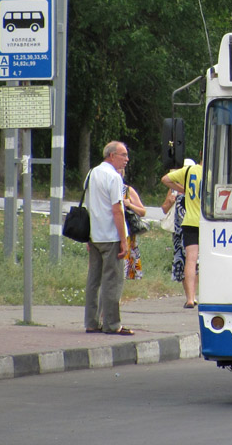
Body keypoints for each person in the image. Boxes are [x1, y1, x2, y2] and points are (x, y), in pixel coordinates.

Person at [83, 141, 133, 336]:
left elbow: (88, 205)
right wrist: (123, 239)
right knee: (112, 280)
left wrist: (88, 236)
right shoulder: (114, 177)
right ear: (111, 155)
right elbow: (117, 210)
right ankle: (112, 324)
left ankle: (91, 322)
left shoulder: (91, 174)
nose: (126, 159)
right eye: (123, 155)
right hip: (111, 236)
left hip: (94, 234)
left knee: (93, 280)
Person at [162, 158, 202, 308]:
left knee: (190, 260)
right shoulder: (212, 173)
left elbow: (165, 179)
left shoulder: (189, 172)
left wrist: (183, 189)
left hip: (189, 221)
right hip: (207, 220)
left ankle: (190, 298)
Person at [160, 158, 193, 285]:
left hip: (191, 226)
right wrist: (170, 201)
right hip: (178, 229)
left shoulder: (195, 186)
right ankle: (188, 290)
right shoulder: (173, 189)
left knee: (193, 259)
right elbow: (164, 209)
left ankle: (193, 292)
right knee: (182, 258)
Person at [122, 179, 146, 280]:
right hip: (107, 232)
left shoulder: (127, 190)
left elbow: (142, 211)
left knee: (123, 266)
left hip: (126, 232)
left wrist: (129, 205)